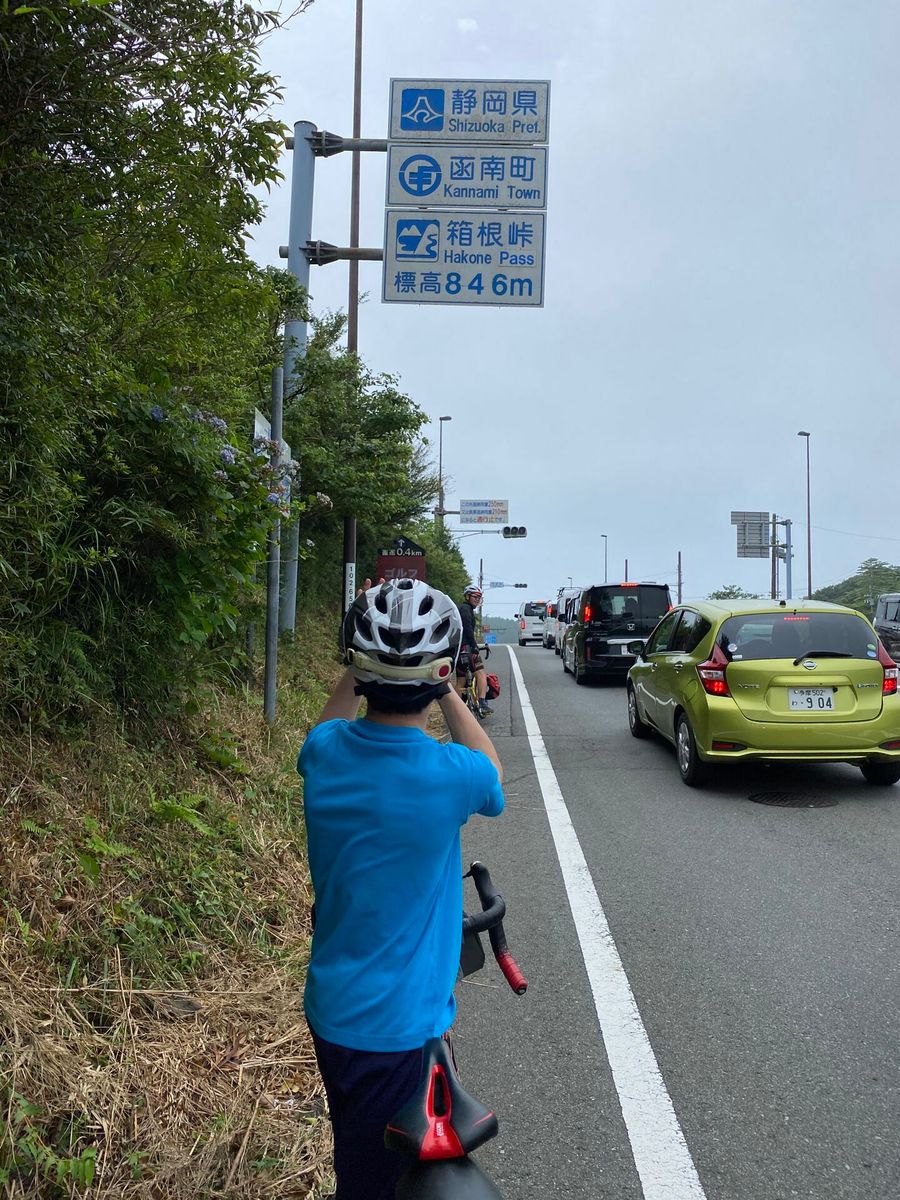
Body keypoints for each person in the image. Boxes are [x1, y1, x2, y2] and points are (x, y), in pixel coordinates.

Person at [297, 578, 504, 1200]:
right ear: (441, 672)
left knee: (359, 1148)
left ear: (358, 667)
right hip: (400, 1028)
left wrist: (359, 664)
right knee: (382, 1180)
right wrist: (448, 690)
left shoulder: (324, 755)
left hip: (334, 1009)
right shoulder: (451, 774)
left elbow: (328, 725)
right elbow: (493, 773)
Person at [458, 582, 492, 716]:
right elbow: (467, 629)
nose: (477, 600)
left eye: (479, 597)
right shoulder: (466, 610)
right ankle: (483, 704)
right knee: (481, 673)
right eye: (475, 597)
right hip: (468, 648)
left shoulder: (461, 609)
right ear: (467, 597)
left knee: (461, 680)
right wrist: (474, 646)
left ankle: (456, 710)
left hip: (459, 649)